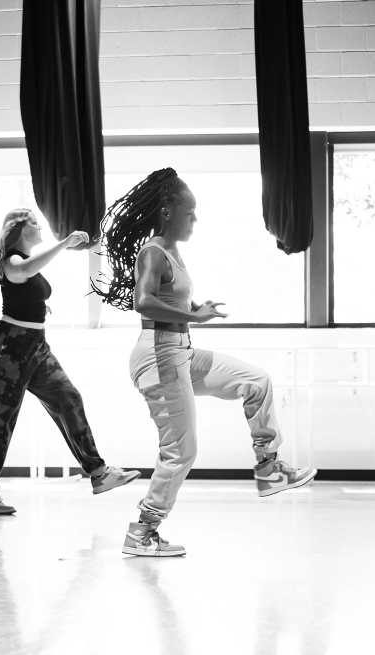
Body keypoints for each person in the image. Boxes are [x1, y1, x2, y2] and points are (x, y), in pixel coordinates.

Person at [92, 167, 316, 557]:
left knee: (256, 381)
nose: (195, 220)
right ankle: (142, 531)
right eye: (189, 213)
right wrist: (194, 316)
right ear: (166, 211)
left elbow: (168, 301)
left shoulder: (173, 253)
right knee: (182, 450)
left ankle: (268, 468)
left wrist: (193, 308)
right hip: (159, 355)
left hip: (182, 352)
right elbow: (143, 301)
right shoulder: (153, 251)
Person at [0, 209, 140, 514]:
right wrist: (64, 243)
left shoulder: (25, 263)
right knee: (1, 417)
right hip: (10, 346)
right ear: (20, 229)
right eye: (34, 223)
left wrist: (39, 306)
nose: (40, 227)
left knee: (68, 398)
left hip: (35, 344)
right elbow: (19, 273)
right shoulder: (12, 259)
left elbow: (25, 284)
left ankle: (99, 473)